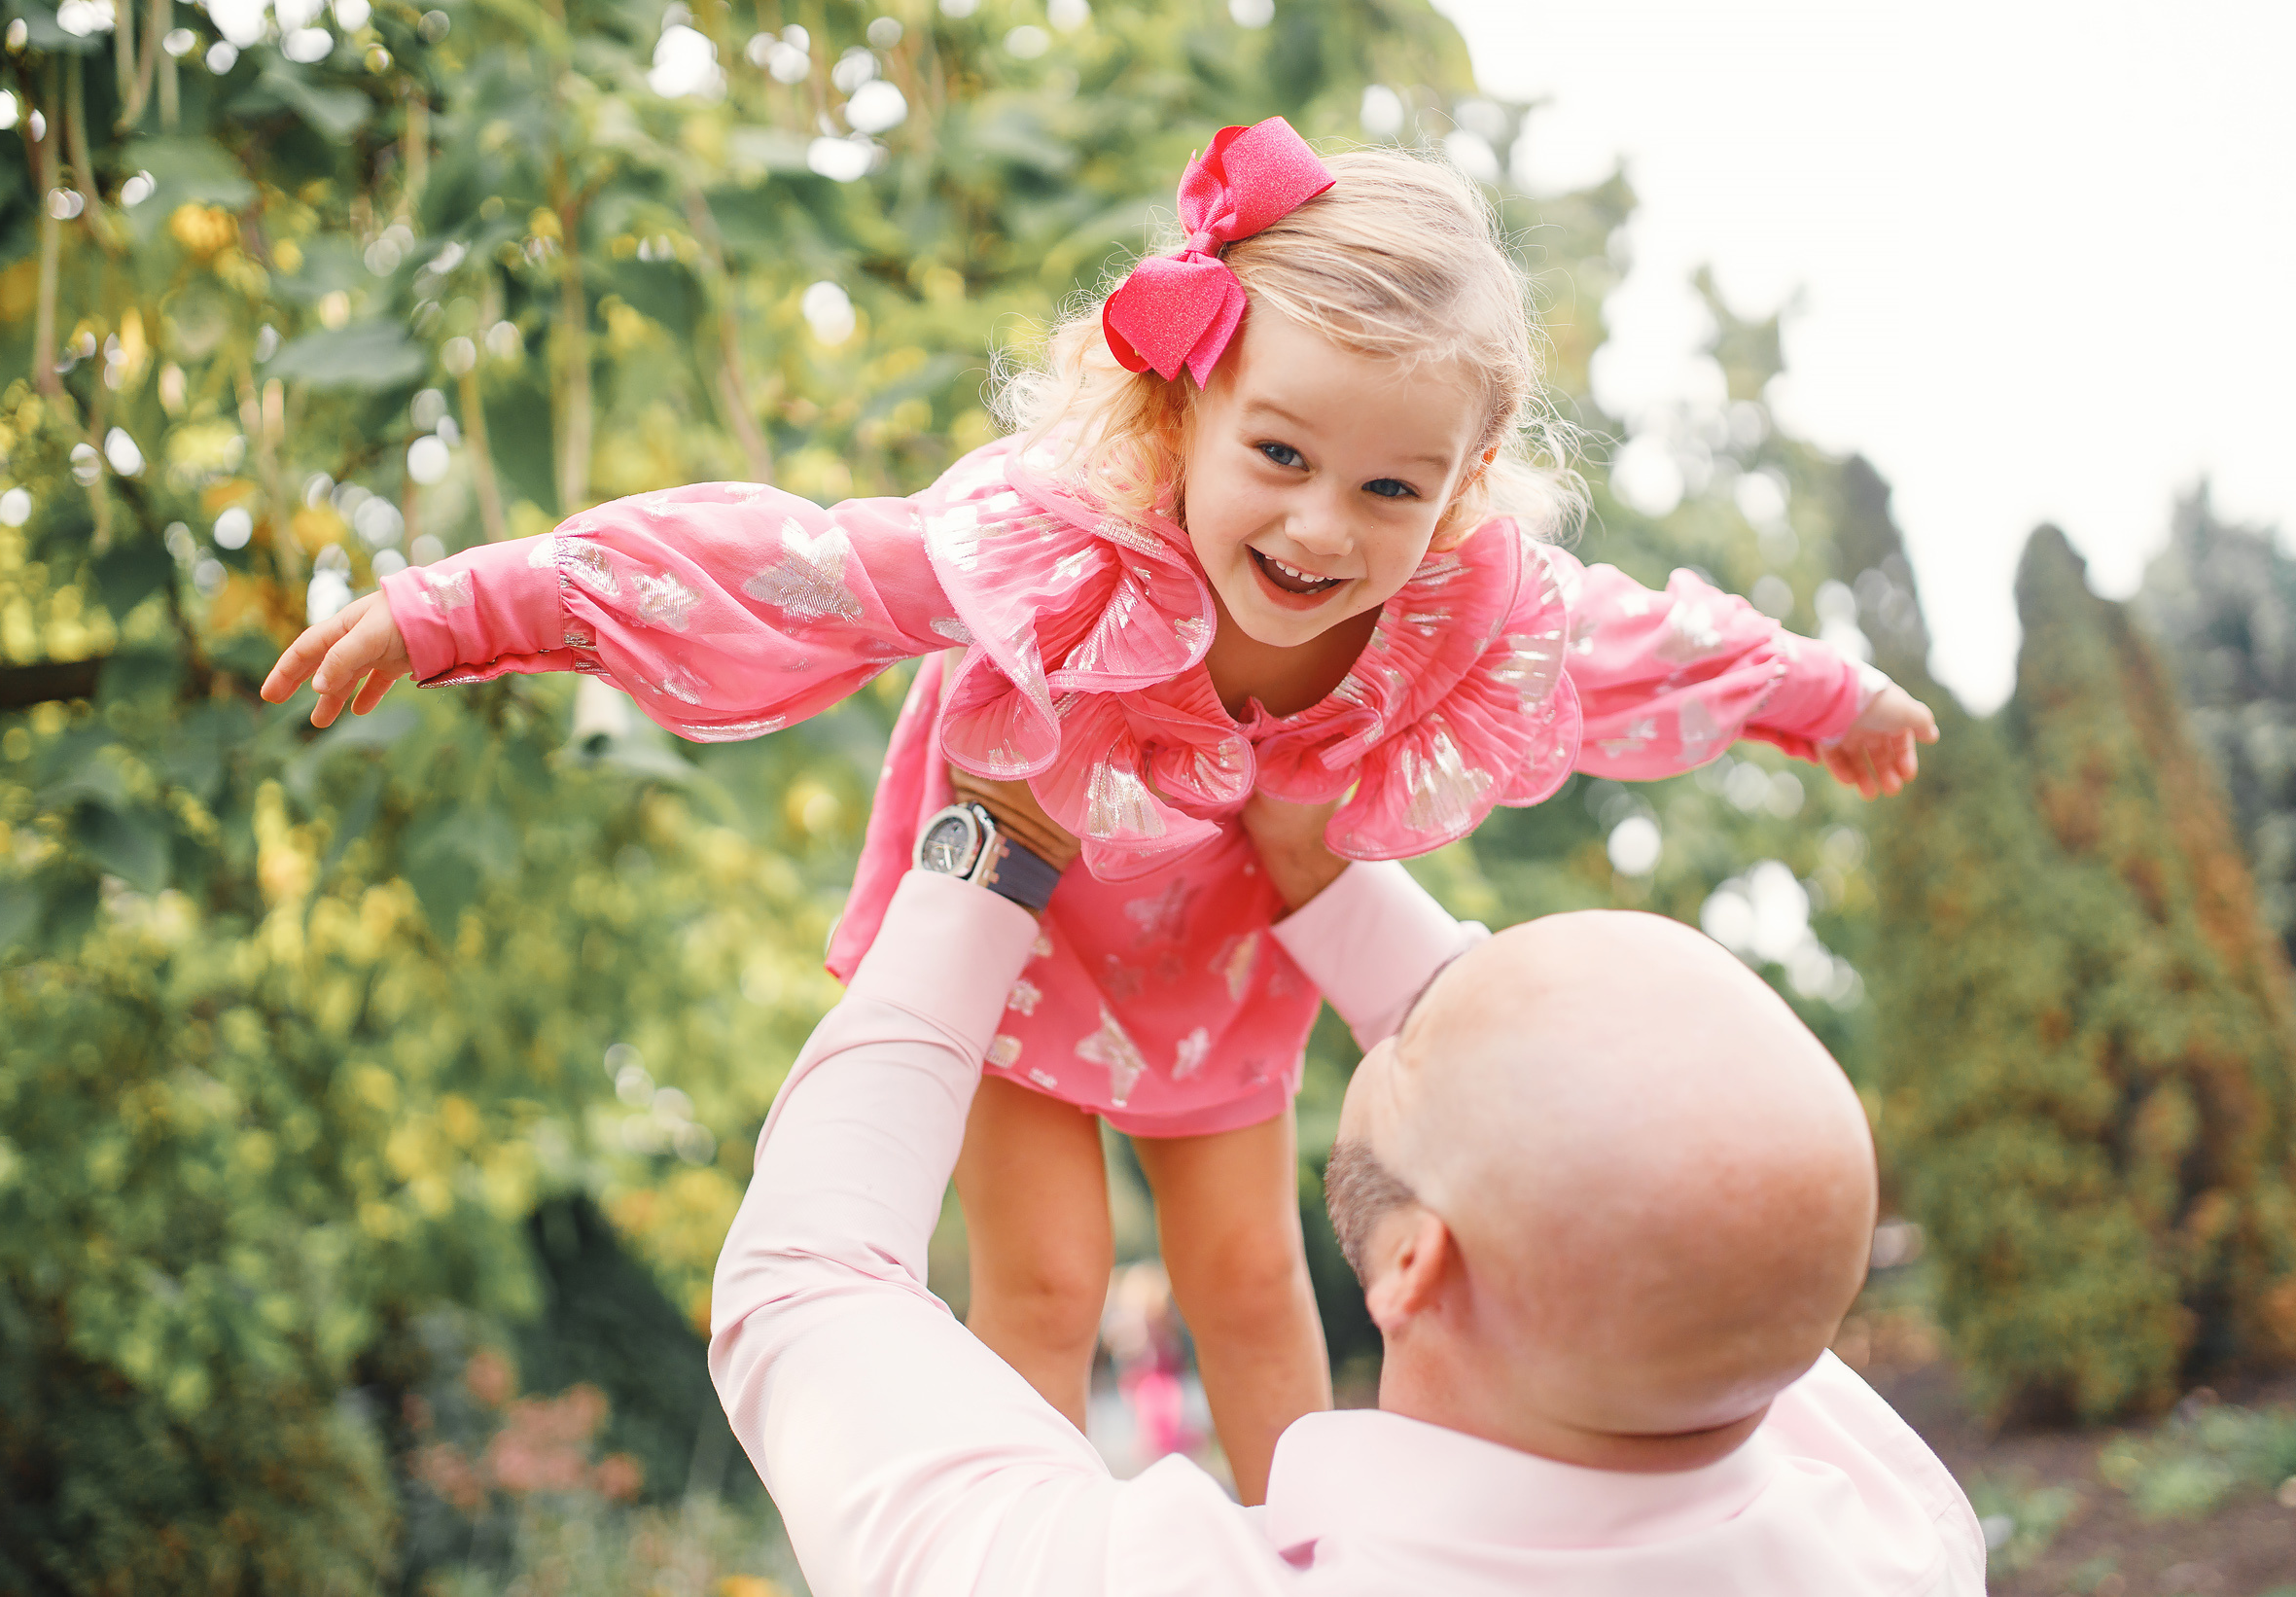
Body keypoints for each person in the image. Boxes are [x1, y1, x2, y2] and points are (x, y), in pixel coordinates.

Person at [261, 117, 1937, 1499]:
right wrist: (474, 607)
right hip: (1026, 926)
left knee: (1255, 1284)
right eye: (1279, 456)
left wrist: (1828, 697)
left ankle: (1312, 1549)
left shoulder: (1463, 612)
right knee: (1048, 1279)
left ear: (1463, 485)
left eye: (1390, 487)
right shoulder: (1061, 548)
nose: (1323, 527)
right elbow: (798, 568)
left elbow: (1646, 647)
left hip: (1222, 954)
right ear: (1185, 408)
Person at [710, 785, 1986, 1595]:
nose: (1411, 1008)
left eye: (1434, 1025)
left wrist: (976, 866)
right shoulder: (1893, 1535)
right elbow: (1689, 1223)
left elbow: (804, 1284)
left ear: (1416, 1262)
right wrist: (1335, 886)